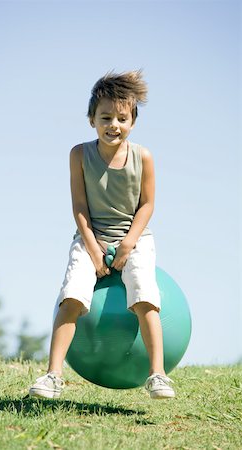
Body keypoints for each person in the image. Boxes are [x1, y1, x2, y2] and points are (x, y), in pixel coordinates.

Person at [29, 71, 175, 400]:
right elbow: (79, 206)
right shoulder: (79, 155)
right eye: (105, 117)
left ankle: (157, 374)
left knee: (144, 293)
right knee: (72, 295)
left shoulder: (144, 157)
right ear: (91, 119)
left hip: (134, 237)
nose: (114, 125)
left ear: (133, 121)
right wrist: (94, 249)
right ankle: (53, 375)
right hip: (91, 236)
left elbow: (148, 205)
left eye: (122, 118)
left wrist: (127, 244)